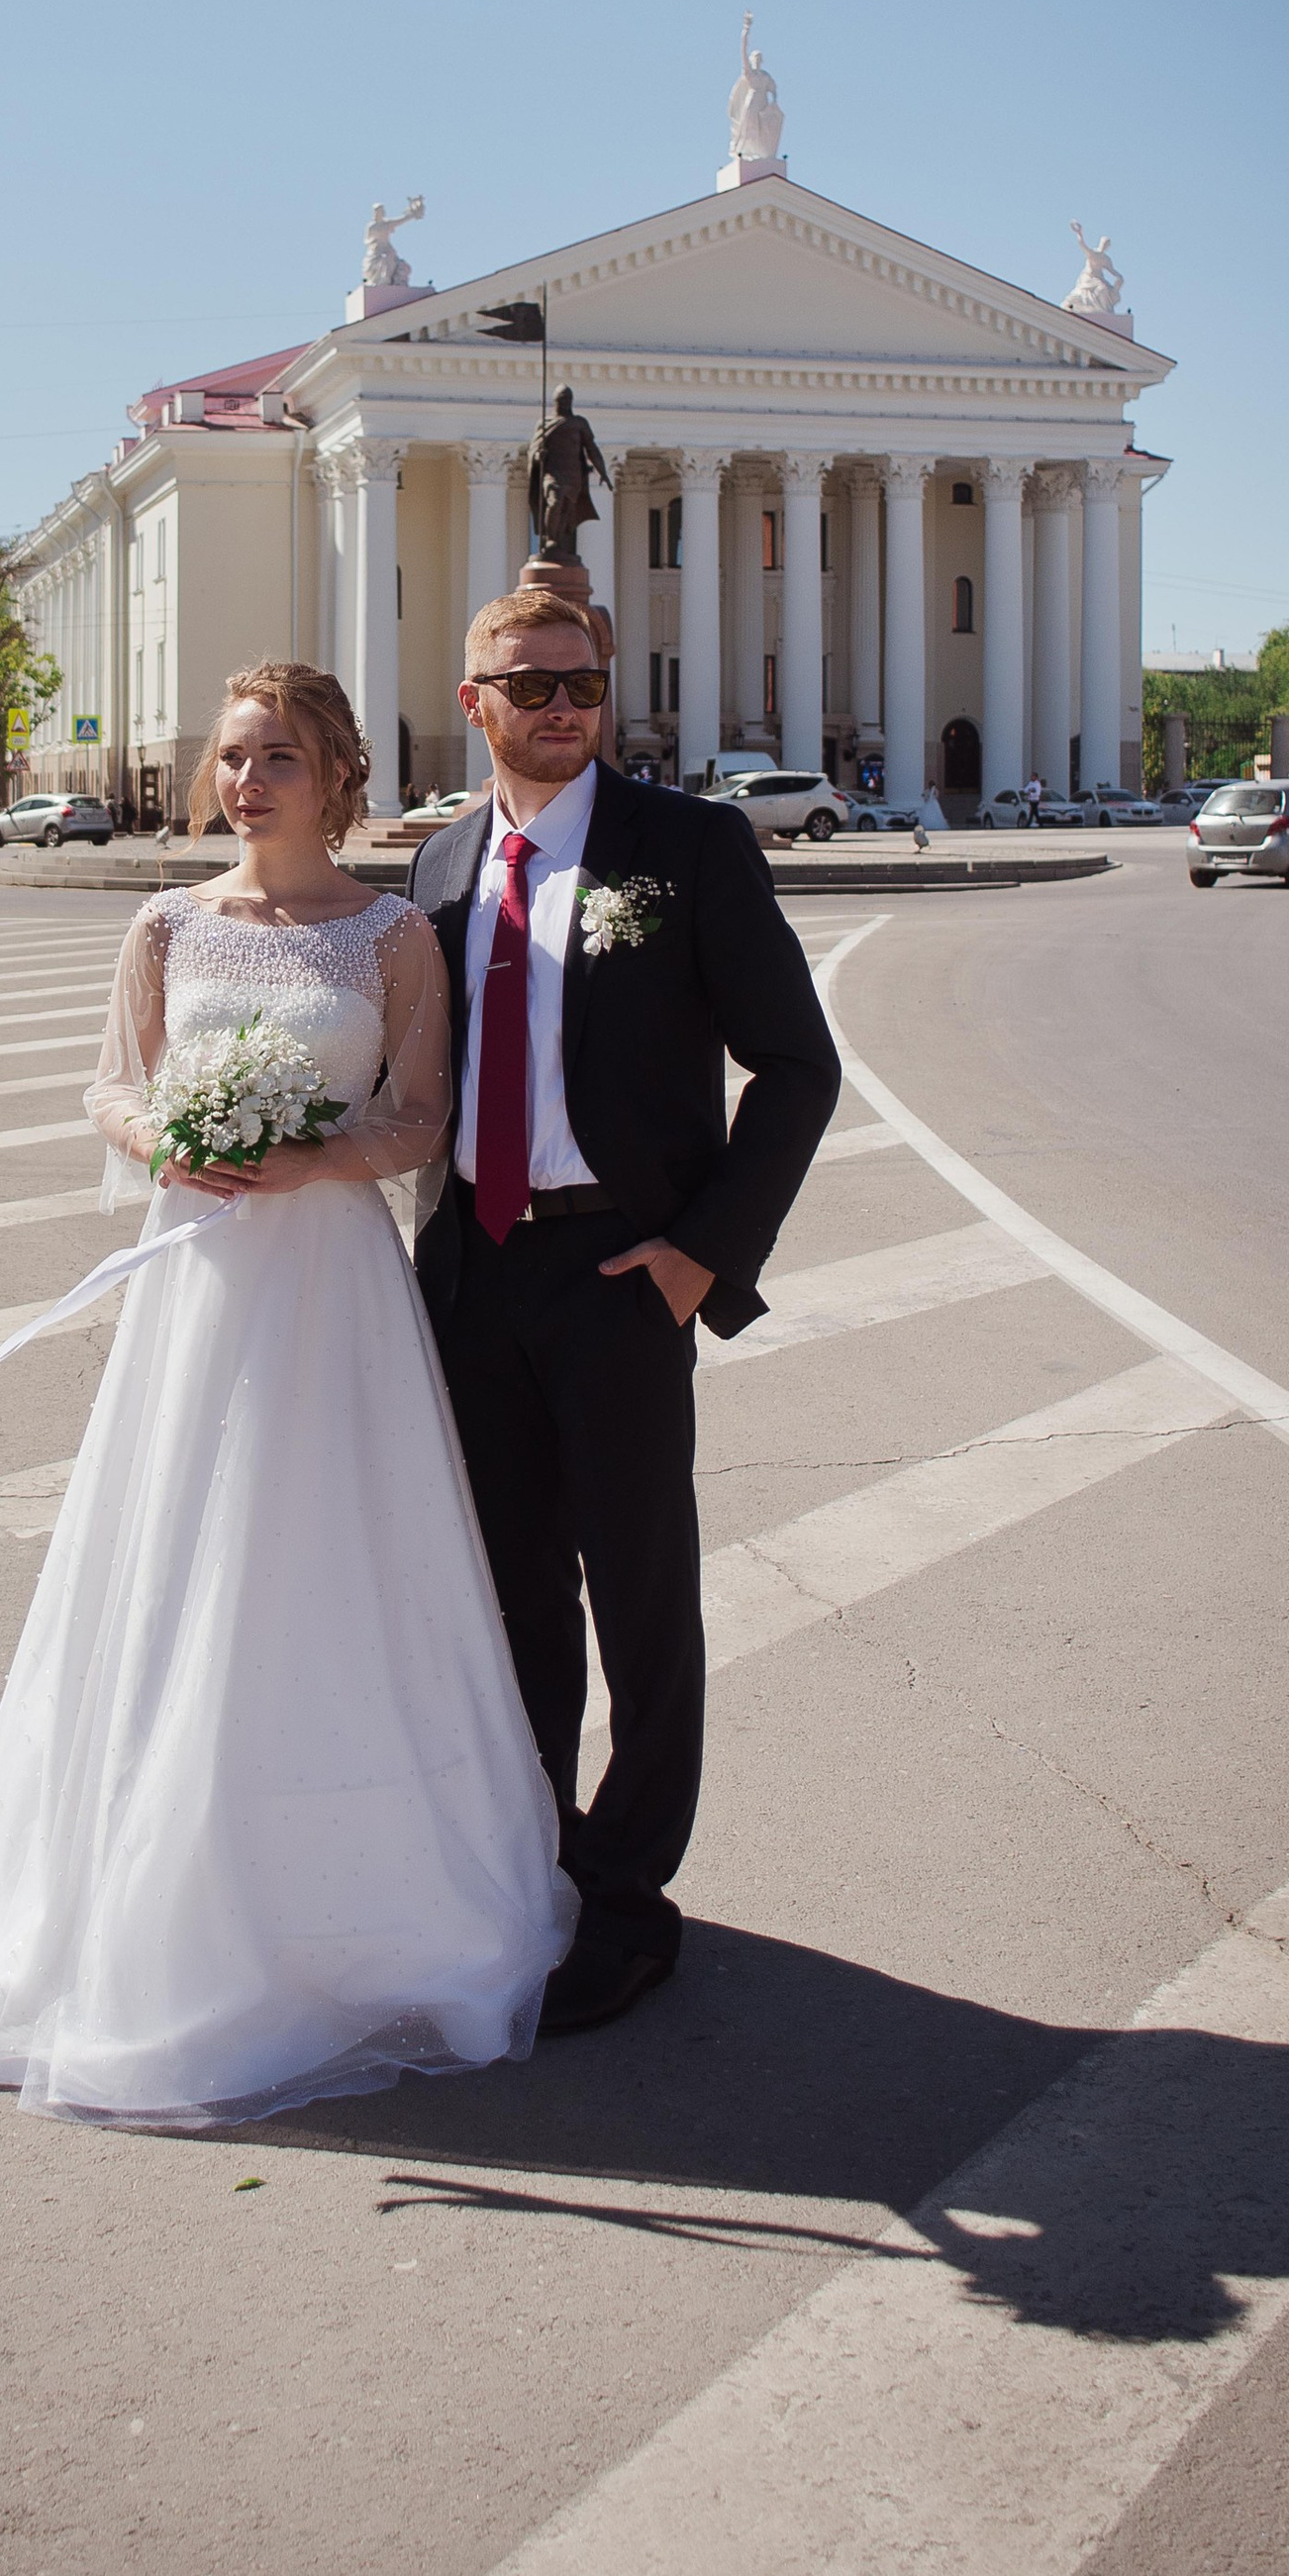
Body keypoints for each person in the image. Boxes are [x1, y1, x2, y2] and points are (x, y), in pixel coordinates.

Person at [0, 661, 573, 2129]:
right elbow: (111, 1089)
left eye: (280, 759)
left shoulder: (393, 936)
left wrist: (312, 1155)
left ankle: (364, 1895)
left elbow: (421, 1118)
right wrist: (172, 1140)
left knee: (329, 1560)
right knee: (178, 1554)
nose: (249, 783)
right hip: (196, 1281)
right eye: (235, 759)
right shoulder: (166, 924)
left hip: (332, 1286)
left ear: (338, 777)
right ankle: (143, 1885)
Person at [409, 593, 840, 2034]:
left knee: (644, 1602)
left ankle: (632, 1901)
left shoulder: (689, 846)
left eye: (582, 683)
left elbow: (797, 1065)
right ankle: (537, 1863)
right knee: (516, 1597)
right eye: (530, 684)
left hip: (621, 1275)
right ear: (473, 700)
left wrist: (702, 1254)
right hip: (475, 1278)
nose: (562, 707)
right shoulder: (443, 862)